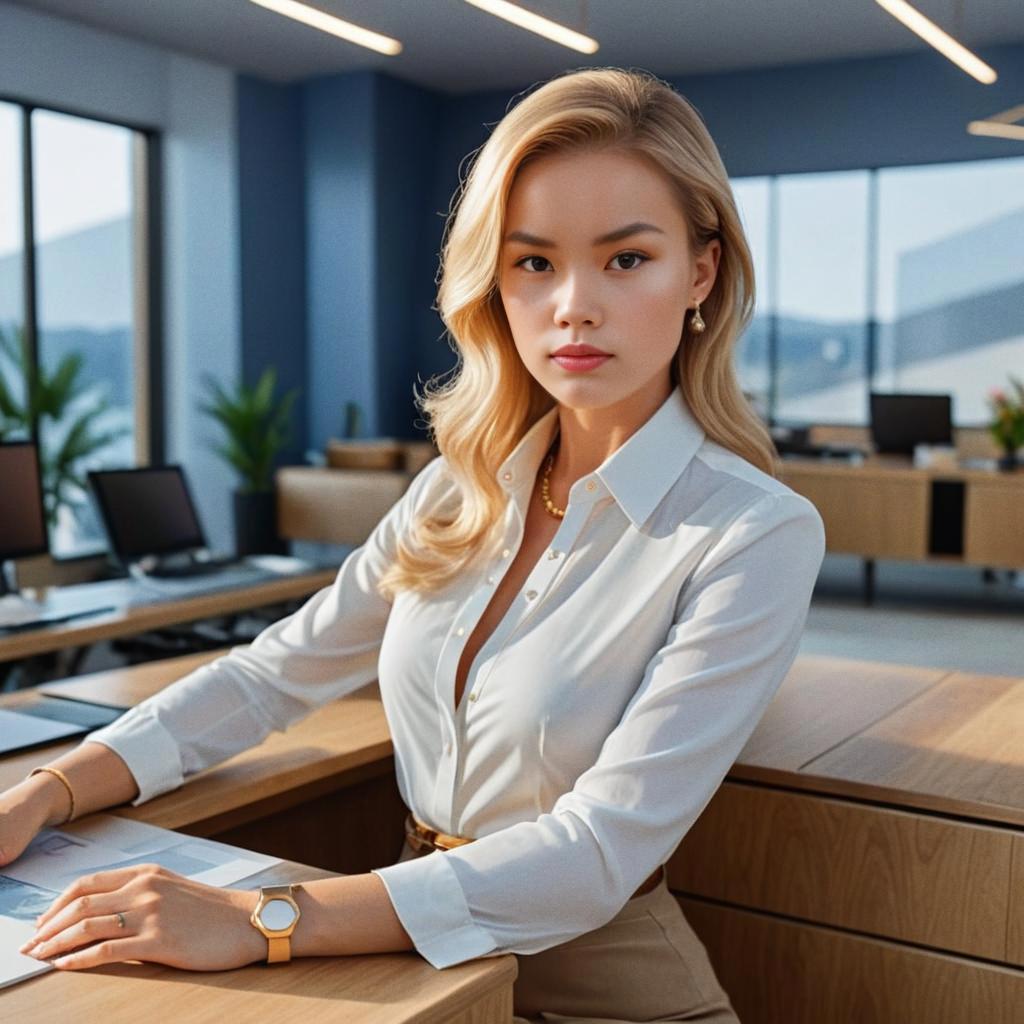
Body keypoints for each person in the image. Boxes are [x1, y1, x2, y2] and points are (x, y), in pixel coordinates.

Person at [1, 67, 825, 1022]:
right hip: (409, 970)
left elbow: (598, 851)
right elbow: (272, 677)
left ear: (702, 272)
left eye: (626, 259)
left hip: (607, 992)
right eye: (533, 262)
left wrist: (262, 919)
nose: (573, 306)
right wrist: (49, 790)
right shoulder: (455, 490)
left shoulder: (752, 532)